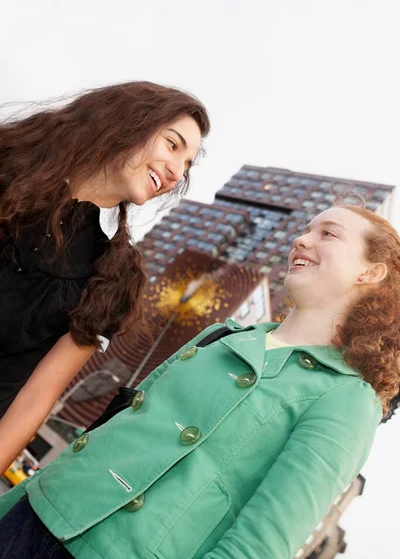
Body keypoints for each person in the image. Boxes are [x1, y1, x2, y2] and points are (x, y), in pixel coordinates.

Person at [0, 204, 399, 559]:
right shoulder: (220, 335)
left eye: (327, 234)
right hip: (39, 509)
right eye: (306, 229)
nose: (301, 239)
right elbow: (112, 429)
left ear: (370, 272)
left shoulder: (348, 397)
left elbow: (261, 544)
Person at [0, 81, 210, 474]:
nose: (175, 171)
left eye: (186, 165)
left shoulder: (114, 276)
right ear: (130, 122)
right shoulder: (9, 167)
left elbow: (35, 399)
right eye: (172, 145)